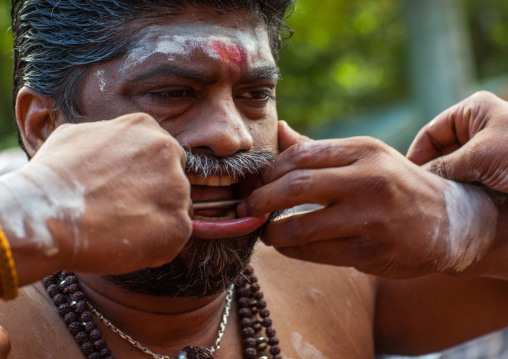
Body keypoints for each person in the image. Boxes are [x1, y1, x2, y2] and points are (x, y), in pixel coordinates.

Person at [0, 0, 507, 358]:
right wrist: (37, 213)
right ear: (45, 128)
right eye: (173, 92)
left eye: (255, 94)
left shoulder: (343, 277)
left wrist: (473, 223)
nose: (233, 135)